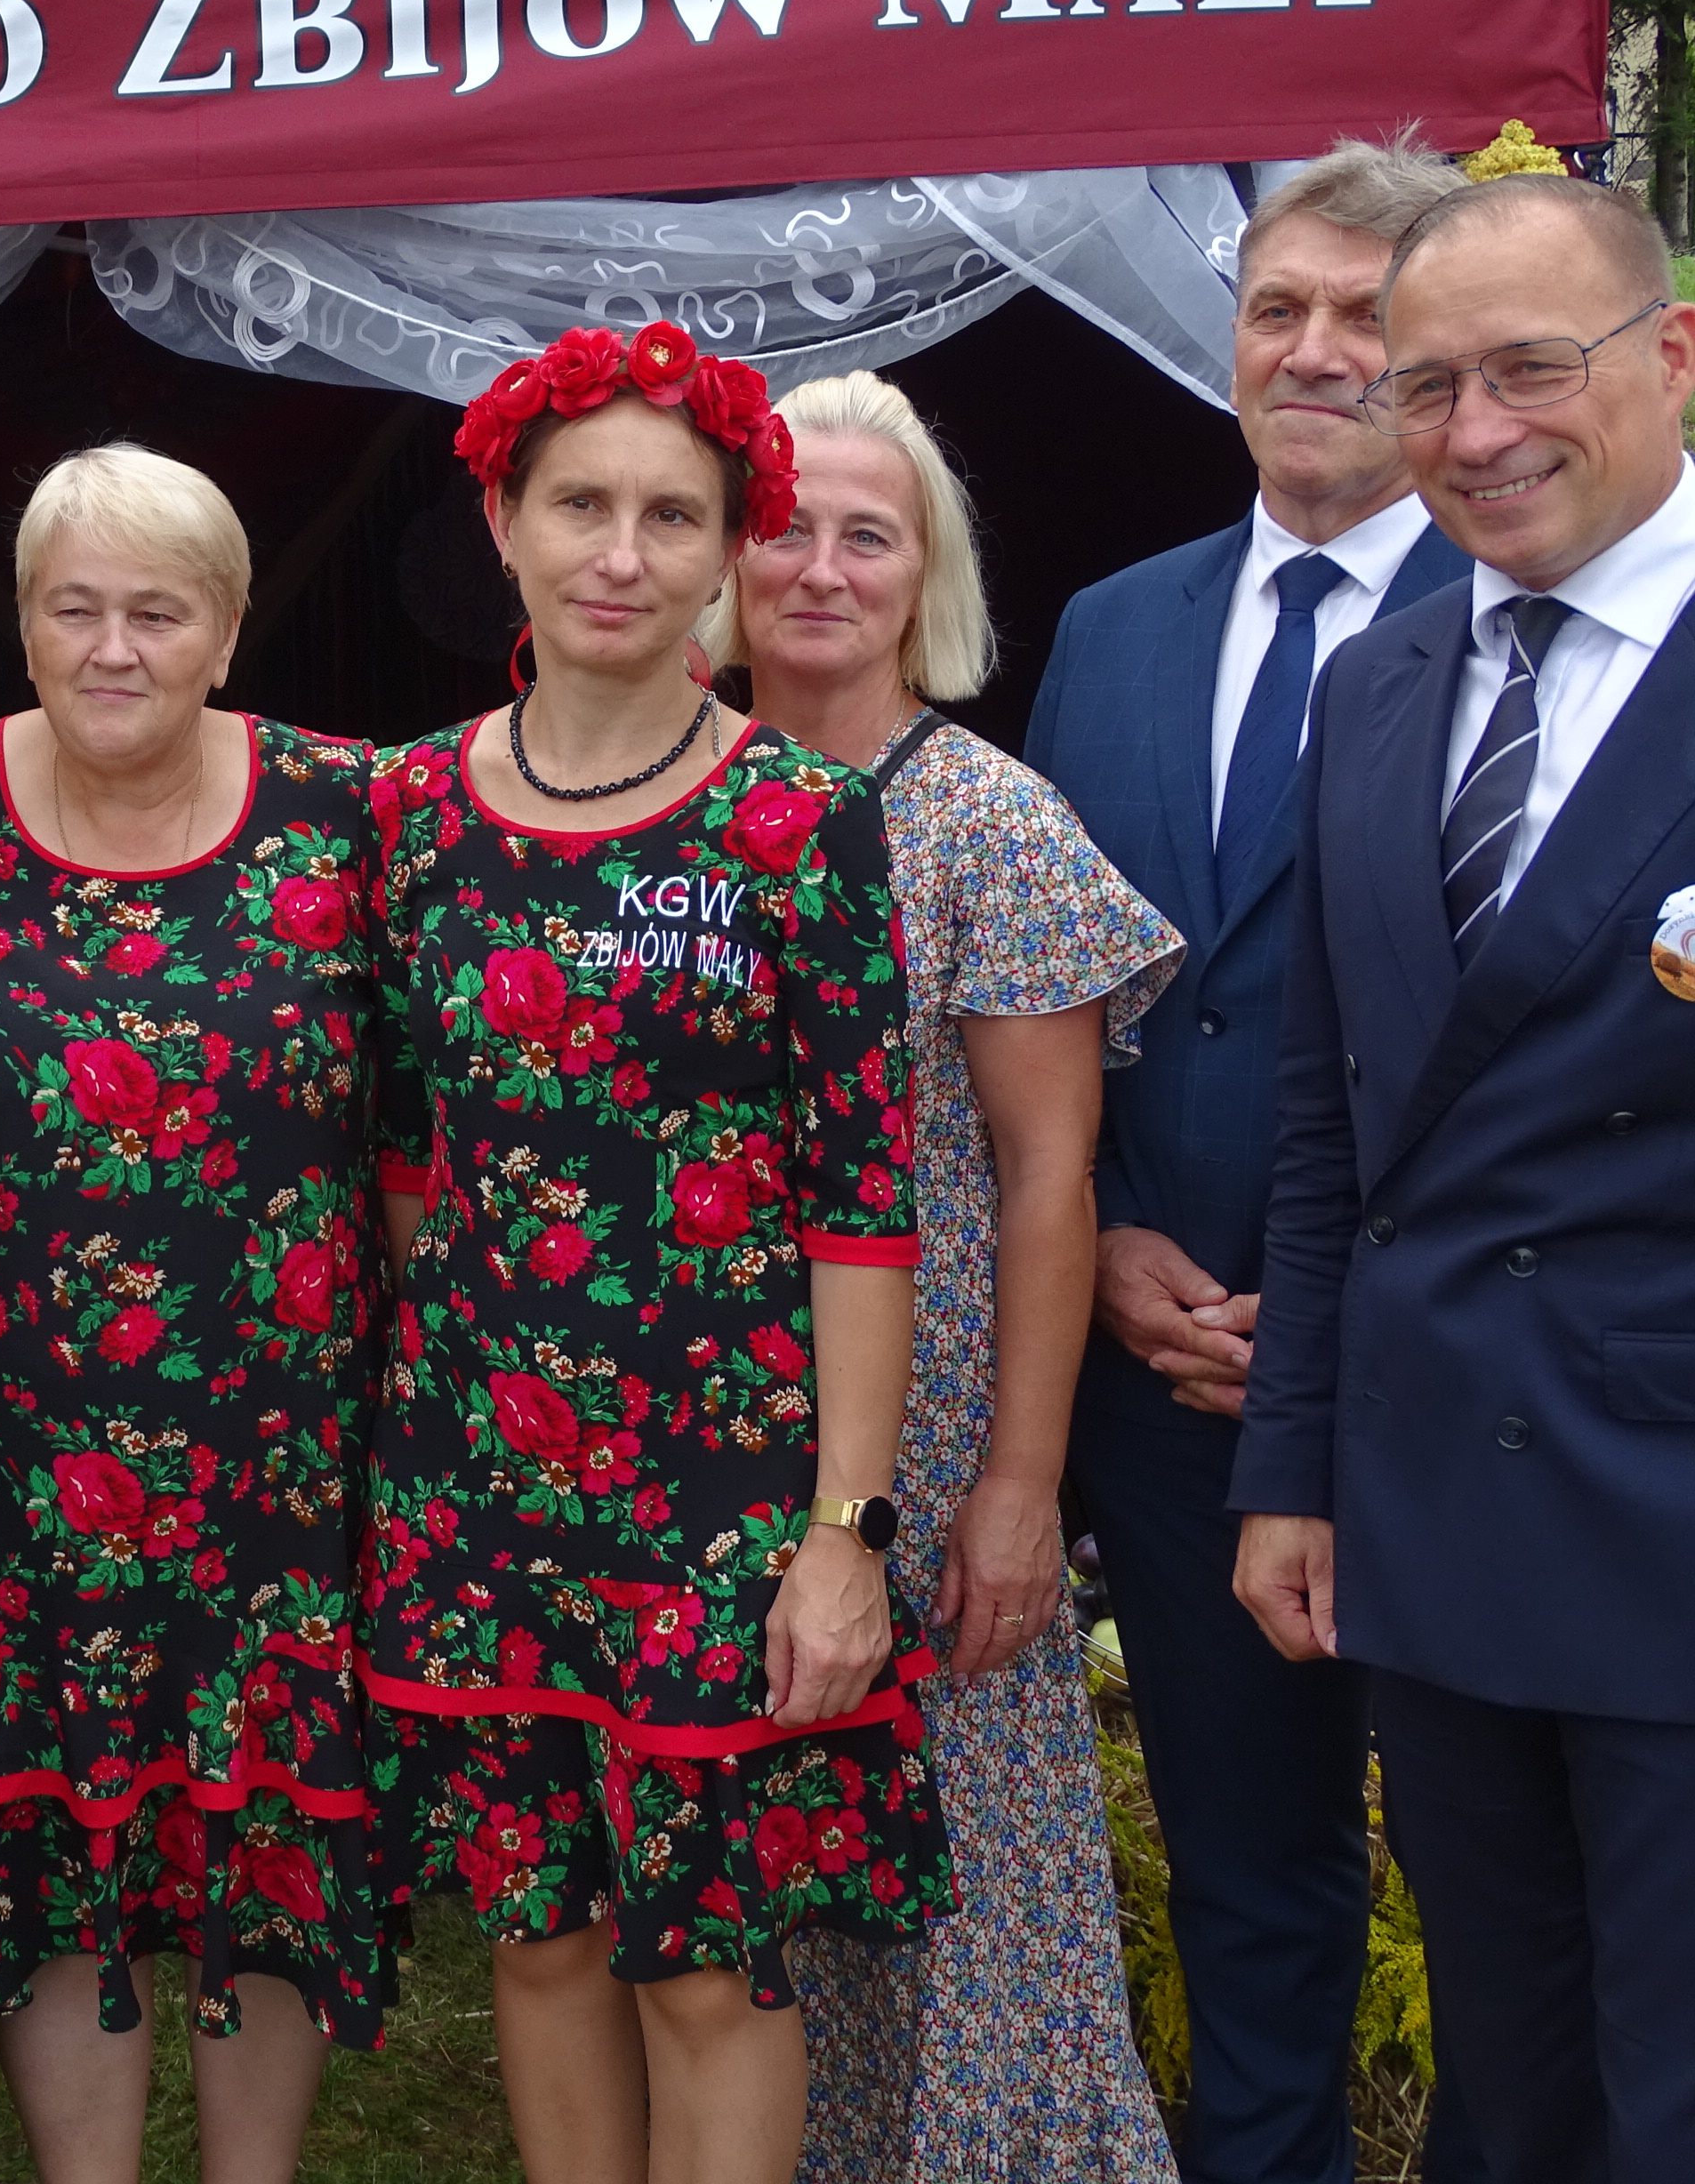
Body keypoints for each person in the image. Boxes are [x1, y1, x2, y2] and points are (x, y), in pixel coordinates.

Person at [362, 323, 951, 2184]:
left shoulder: (801, 824)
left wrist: (846, 1536)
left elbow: (864, 1204)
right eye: (580, 506)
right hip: (475, 1486)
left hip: (722, 1497)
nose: (620, 554)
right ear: (504, 523)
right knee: (537, 1938)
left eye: (671, 516)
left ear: (725, 550)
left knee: (705, 1967)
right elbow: (404, 1160)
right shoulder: (406, 815)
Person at [1233, 172, 1695, 2181]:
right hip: (1432, 1521)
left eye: (1529, 368)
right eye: (1426, 387)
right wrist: (1292, 1463)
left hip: (1672, 1512)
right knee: (1511, 2093)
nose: (1475, 430)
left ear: (1671, 354)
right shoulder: (1382, 679)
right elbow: (1331, 1130)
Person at [1021, 133, 1469, 2184]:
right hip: (1167, 1373)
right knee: (1248, 1875)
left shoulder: (1537, 621)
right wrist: (1106, 1229)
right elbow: (1052, 1002)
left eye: (1367, 315)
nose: (1314, 349)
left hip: (1447, 1380)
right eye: (1277, 307)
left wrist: (1342, 1302)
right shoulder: (1111, 626)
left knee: (1509, 1898)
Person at [719, 372, 1181, 2179]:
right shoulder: (664, 790)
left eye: (870, 535)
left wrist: (1014, 1488)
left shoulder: (989, 821)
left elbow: (1051, 1174)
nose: (821, 568)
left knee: (971, 1883)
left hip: (925, 1437)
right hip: (694, 1429)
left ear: (928, 577)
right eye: (785, 528)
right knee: (743, 1893)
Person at [0, 445, 391, 2182]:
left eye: (158, 612)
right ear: (22, 620)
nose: (113, 648)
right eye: (74, 609)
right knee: (61, 1849)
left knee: (259, 1841)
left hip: (278, 1466)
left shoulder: (352, 811)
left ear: (228, 630)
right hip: (10, 1466)